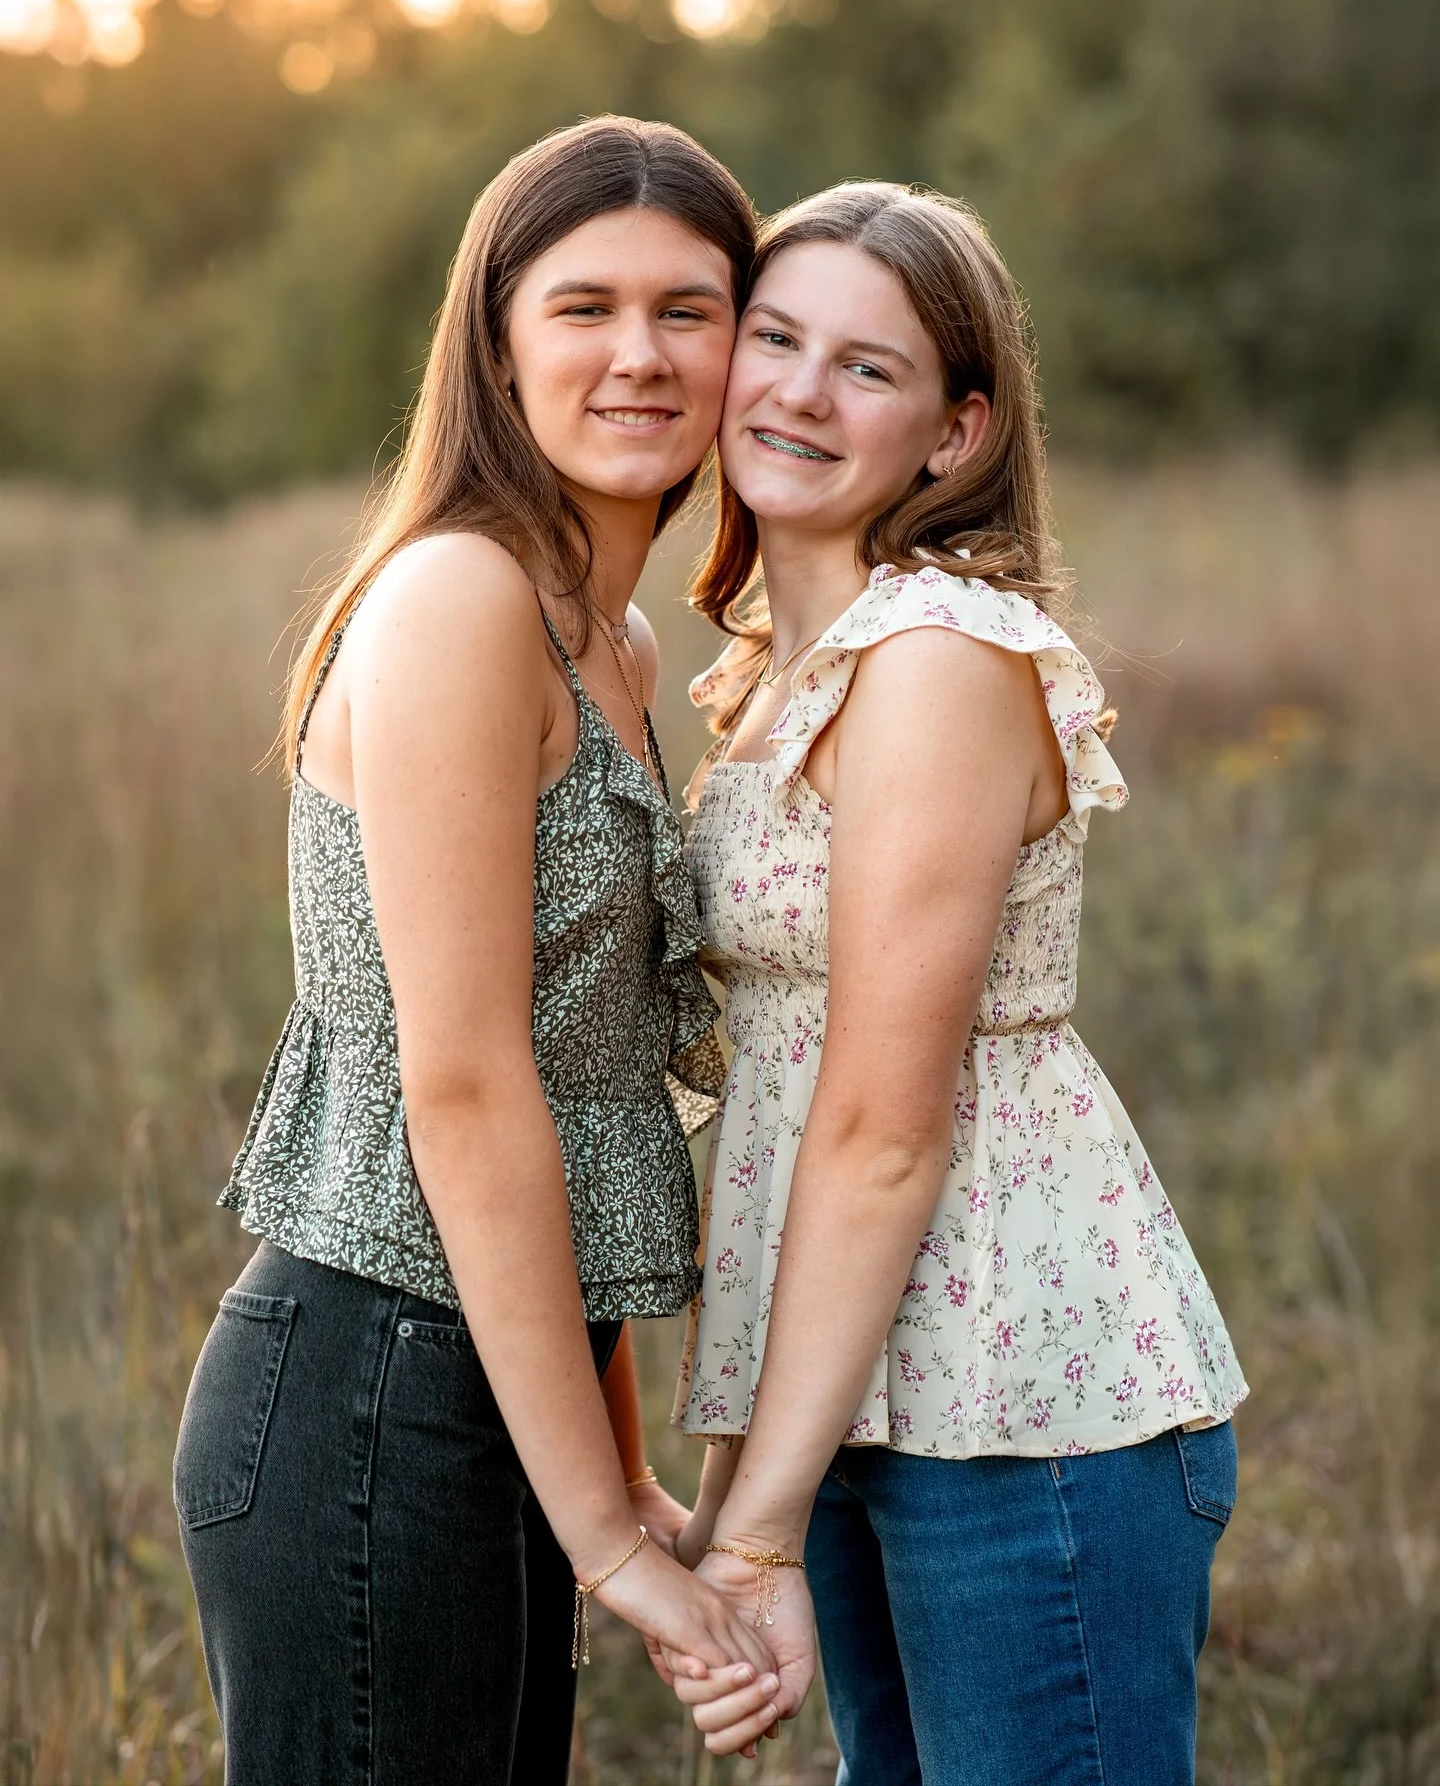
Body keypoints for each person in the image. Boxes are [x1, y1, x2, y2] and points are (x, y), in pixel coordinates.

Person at [173, 117, 782, 1785]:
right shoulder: (461, 599)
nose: (641, 354)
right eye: (585, 307)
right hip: (371, 1391)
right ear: (500, 346)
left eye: (688, 309)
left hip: (509, 1390)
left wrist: (620, 1476)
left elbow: (585, 1101)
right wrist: (610, 1543)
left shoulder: (618, 641)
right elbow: (466, 1091)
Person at [665, 182, 1250, 1778]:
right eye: (776, 339)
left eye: (867, 367)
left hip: (1020, 1395)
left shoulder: (935, 657)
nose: (799, 390)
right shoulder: (775, 672)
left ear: (956, 430)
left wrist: (756, 1532)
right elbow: (787, 1107)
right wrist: (739, 1486)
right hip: (854, 1390)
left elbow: (879, 1128)